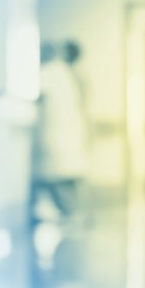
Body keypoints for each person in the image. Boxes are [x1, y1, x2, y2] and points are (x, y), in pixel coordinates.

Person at [32, 39, 89, 222]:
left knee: (58, 177)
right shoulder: (66, 74)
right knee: (66, 176)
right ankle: (76, 214)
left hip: (57, 134)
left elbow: (33, 93)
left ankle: (73, 214)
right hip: (69, 133)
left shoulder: (50, 73)